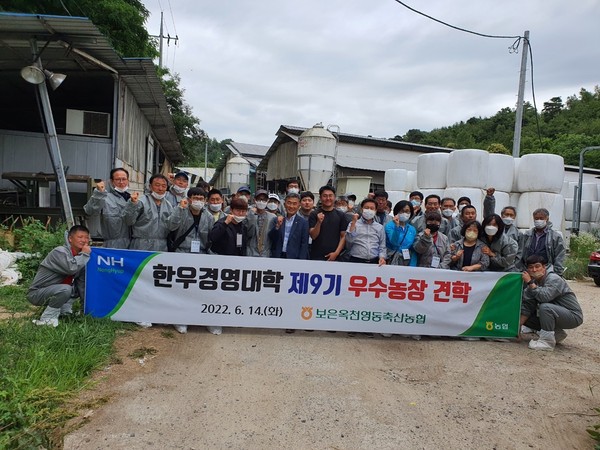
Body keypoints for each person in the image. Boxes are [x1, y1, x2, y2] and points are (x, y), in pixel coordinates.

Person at [207, 197, 256, 335]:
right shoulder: (223, 222)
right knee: (217, 296)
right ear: (232, 210)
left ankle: (229, 319)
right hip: (220, 263)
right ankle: (213, 323)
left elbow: (242, 245)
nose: (240, 214)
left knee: (231, 295)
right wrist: (225, 224)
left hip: (235, 265)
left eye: (243, 211)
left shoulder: (243, 226)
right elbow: (212, 237)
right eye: (238, 211)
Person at [27, 225, 91, 327]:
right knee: (65, 289)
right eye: (80, 237)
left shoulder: (80, 258)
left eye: (86, 237)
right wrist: (84, 254)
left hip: (56, 290)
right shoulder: (60, 251)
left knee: (79, 287)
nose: (84, 240)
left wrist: (84, 310)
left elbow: (82, 285)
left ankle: (64, 310)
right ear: (70, 239)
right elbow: (71, 268)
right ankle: (47, 319)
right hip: (37, 293)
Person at [520, 255, 583, 351]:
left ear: (544, 267)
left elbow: (544, 297)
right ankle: (557, 333)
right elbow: (527, 307)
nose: (534, 270)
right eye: (531, 267)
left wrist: (529, 283)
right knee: (527, 314)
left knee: (545, 308)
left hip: (573, 316)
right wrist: (516, 329)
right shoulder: (533, 284)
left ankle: (547, 342)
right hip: (557, 314)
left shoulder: (554, 278)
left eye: (537, 266)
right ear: (527, 270)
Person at [124, 174, 180, 252]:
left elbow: (172, 226)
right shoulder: (141, 201)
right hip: (141, 245)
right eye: (157, 185)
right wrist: (132, 204)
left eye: (164, 186)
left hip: (161, 245)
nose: (160, 189)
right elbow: (129, 221)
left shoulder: (168, 205)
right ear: (150, 186)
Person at [83, 168, 132, 249]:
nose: (121, 182)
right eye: (117, 179)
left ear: (128, 181)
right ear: (112, 181)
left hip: (134, 246)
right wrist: (99, 193)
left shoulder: (134, 199)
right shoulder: (105, 198)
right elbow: (89, 211)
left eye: (124, 179)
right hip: (113, 246)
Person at [517, 208, 566, 276]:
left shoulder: (555, 237)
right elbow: (521, 253)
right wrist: (520, 268)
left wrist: (557, 272)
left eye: (541, 218)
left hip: (546, 270)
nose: (538, 220)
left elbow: (560, 256)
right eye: (536, 218)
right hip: (529, 270)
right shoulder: (527, 235)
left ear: (547, 219)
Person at [309, 185, 349, 261]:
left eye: (330, 196)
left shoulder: (341, 215)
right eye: (325, 196)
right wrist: (319, 222)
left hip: (335, 256)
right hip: (316, 255)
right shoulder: (314, 214)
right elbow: (313, 236)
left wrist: (336, 253)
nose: (328, 198)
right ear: (320, 198)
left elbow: (344, 236)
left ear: (334, 197)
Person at [345, 198, 387, 265]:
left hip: (374, 261)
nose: (369, 210)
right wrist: (353, 224)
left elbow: (382, 246)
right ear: (362, 209)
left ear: (375, 211)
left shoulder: (380, 227)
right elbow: (348, 242)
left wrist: (382, 258)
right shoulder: (353, 223)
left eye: (372, 208)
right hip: (356, 260)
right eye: (366, 208)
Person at [270, 193, 309, 259]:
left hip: (294, 258)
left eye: (294, 204)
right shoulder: (277, 219)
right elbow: (271, 238)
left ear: (299, 205)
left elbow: (304, 245)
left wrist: (302, 261)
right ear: (285, 205)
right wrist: (277, 227)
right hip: (277, 256)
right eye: (289, 203)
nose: (291, 206)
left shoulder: (303, 223)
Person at [385, 200, 418, 266]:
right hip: (392, 259)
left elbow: (413, 248)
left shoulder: (412, 229)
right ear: (396, 212)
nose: (404, 213)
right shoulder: (389, 226)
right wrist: (397, 227)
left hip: (406, 261)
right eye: (401, 211)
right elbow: (394, 242)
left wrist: (413, 265)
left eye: (407, 211)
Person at [249, 189, 277, 257]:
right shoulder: (248, 215)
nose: (261, 202)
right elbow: (248, 233)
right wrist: (252, 216)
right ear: (254, 200)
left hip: (266, 254)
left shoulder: (272, 217)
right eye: (259, 199)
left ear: (267, 201)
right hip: (250, 253)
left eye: (264, 200)